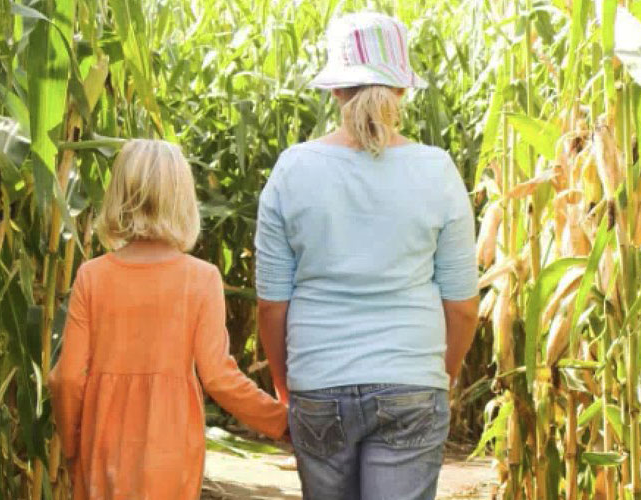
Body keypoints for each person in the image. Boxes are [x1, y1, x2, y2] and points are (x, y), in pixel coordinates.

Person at [255, 13, 479, 500]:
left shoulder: (292, 170)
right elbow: (462, 306)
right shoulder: (437, 172)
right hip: (412, 380)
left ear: (335, 90)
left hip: (318, 380)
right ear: (401, 90)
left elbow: (272, 305)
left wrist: (287, 390)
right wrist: (439, 375)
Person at [48, 139, 287, 499]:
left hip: (101, 450)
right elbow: (220, 379)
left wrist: (72, 447)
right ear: (182, 200)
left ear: (118, 195)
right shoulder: (201, 278)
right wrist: (283, 423)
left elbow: (65, 378)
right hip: (171, 453)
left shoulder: (92, 276)